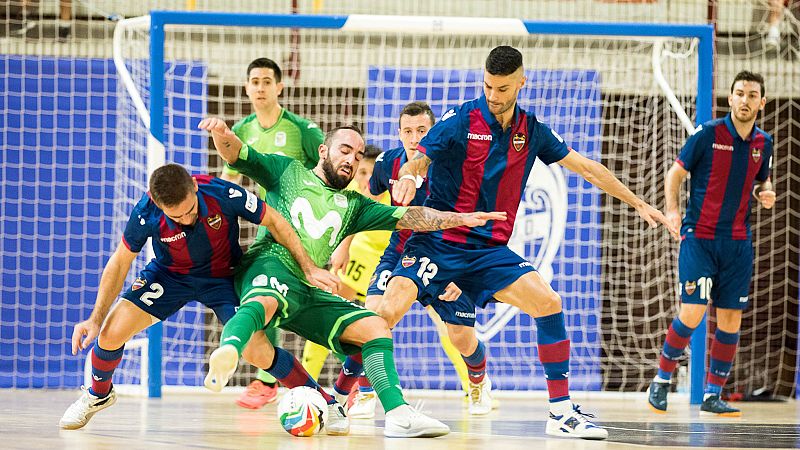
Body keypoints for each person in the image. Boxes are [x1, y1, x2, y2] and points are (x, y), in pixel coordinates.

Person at [365, 45, 677, 440]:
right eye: (488, 86)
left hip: (488, 251)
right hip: (437, 243)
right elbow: (420, 158)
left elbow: (587, 169)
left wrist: (639, 203)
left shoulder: (532, 131)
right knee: (383, 313)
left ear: (521, 84)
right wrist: (409, 176)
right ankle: (378, 405)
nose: (493, 96)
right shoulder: (460, 119)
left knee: (548, 302)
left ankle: (561, 412)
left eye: (502, 89)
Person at [197, 118, 506, 437]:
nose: (351, 160)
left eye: (357, 156)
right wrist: (223, 135)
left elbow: (412, 217)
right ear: (323, 151)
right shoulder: (286, 170)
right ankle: (229, 350)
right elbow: (238, 154)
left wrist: (461, 219)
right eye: (344, 151)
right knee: (264, 308)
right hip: (270, 264)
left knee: (375, 326)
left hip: (307, 286)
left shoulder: (355, 205)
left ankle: (393, 413)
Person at [59, 164, 336, 430]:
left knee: (256, 350)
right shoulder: (146, 212)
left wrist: (309, 268)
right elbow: (120, 262)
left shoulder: (222, 193)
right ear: (156, 202)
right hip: (169, 277)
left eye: (190, 211)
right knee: (109, 333)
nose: (186, 220)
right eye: (176, 217)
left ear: (194, 185)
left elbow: (274, 219)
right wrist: (94, 319)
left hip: (223, 277)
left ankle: (326, 402)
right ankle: (98, 394)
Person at [332, 102, 476, 419]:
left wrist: (461, 269)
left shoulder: (453, 166)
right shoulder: (387, 163)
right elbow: (363, 204)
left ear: (434, 132)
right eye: (408, 131)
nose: (414, 138)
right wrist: (345, 244)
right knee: (370, 319)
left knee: (456, 332)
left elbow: (468, 219)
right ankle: (362, 393)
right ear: (399, 133)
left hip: (441, 254)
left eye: (421, 131)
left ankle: (475, 383)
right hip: (398, 251)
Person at [648, 71, 775, 417]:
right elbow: (675, 173)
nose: (745, 100)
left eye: (752, 95)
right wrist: (672, 211)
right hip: (700, 238)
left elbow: (762, 180)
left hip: (737, 244)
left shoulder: (764, 142)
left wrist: (765, 192)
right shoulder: (707, 134)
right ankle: (661, 380)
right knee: (692, 312)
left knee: (731, 318)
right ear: (730, 98)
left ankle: (712, 395)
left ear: (761, 103)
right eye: (739, 93)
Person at [222, 57, 325, 410]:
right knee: (261, 289)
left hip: (309, 226)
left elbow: (328, 173)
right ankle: (271, 380)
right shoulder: (241, 130)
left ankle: (273, 380)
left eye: (267, 81)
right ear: (247, 87)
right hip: (274, 226)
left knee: (291, 297)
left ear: (280, 87)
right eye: (255, 81)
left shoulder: (301, 129)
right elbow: (229, 181)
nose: (261, 87)